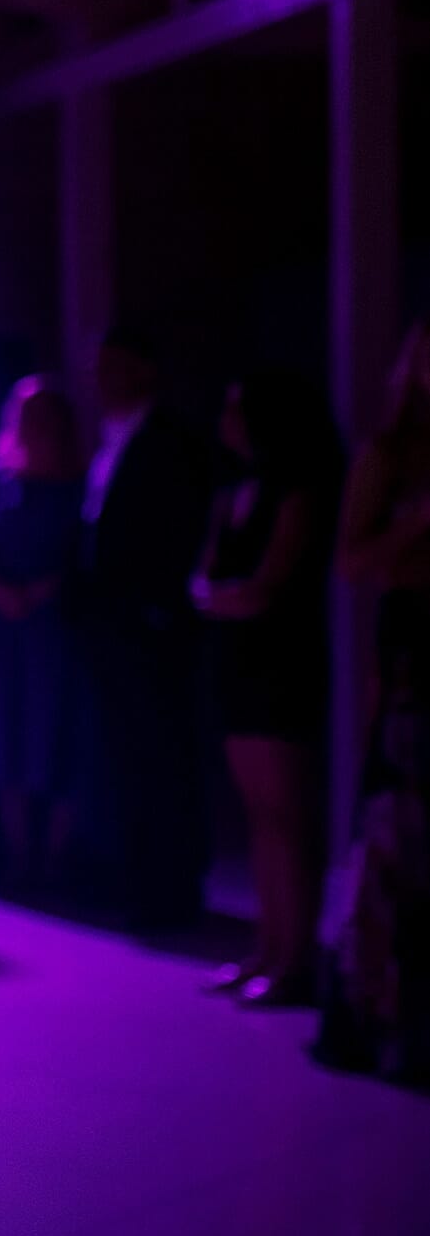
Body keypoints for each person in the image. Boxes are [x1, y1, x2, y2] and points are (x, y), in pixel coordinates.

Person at [192, 373, 341, 1008]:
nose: (227, 422)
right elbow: (205, 578)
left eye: (236, 410)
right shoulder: (231, 495)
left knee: (288, 814)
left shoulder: (298, 493)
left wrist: (224, 599)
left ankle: (297, 957)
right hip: (238, 659)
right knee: (258, 815)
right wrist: (225, 598)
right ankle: (267, 945)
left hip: (283, 663)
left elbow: (268, 585)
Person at [80, 326, 217, 930]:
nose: (101, 379)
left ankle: (172, 888)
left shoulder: (171, 442)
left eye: (114, 366)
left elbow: (177, 531)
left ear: (144, 370)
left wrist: (158, 610)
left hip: (152, 628)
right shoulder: (110, 442)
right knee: (127, 758)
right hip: (115, 629)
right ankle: (140, 883)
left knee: (164, 757)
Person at [327, 324, 430, 1078]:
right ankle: (390, 1017)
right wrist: (418, 522)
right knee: (399, 843)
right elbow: (351, 561)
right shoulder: (387, 454)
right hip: (412, 659)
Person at [0, 377, 88, 889]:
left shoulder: (77, 479)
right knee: (6, 731)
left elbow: (84, 549)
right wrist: (1, 589)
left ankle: (55, 856)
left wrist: (44, 590)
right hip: (1, 620)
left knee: (53, 732)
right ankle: (16, 853)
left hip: (53, 623)